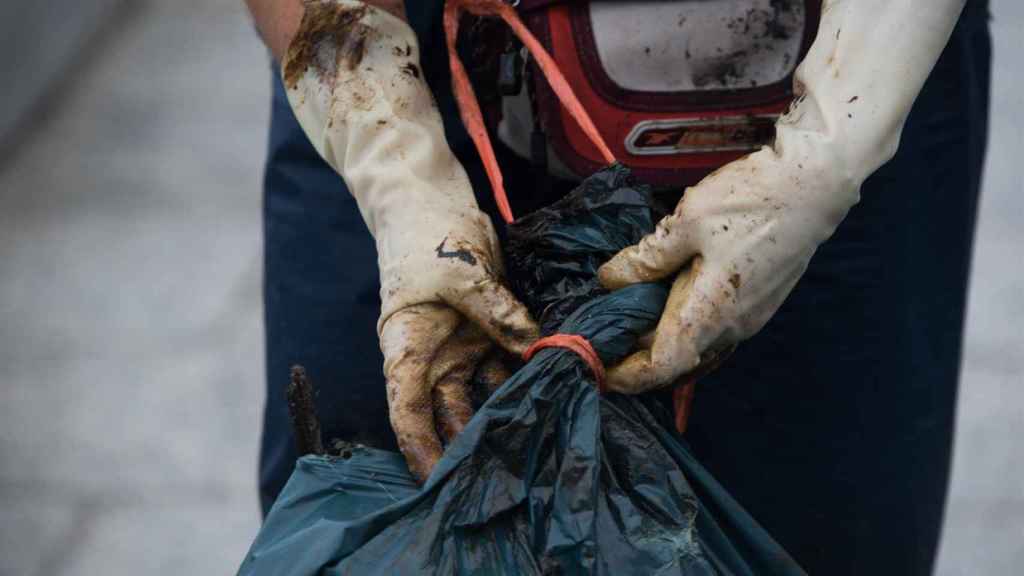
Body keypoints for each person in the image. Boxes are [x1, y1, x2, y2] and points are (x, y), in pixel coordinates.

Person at [243, 1, 990, 573]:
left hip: (843, 53)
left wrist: (829, 150)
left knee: (821, 531)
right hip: (401, 55)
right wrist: (394, 168)